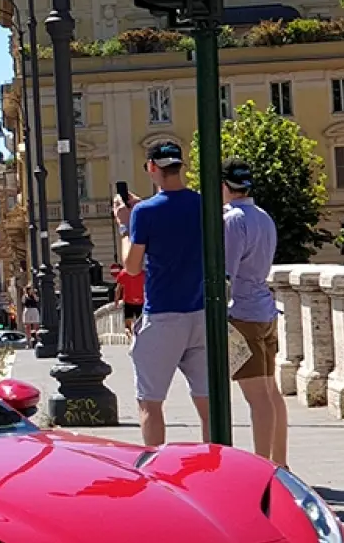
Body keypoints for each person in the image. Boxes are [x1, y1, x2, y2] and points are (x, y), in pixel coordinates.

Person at [112, 141, 210, 446]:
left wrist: (127, 227)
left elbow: (131, 266)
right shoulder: (201, 203)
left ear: (152, 167)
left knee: (150, 403)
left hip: (164, 315)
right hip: (201, 313)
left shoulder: (144, 213)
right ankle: (216, 463)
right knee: (209, 407)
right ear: (179, 166)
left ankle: (157, 473)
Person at [221, 158, 287, 466]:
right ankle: (281, 462)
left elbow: (226, 273)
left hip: (243, 314)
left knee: (256, 396)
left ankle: (263, 467)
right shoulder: (263, 217)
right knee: (270, 390)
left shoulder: (233, 220)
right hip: (265, 310)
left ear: (225, 186)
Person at [110, 260, 145, 336]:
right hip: (141, 302)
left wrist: (116, 301)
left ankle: (130, 339)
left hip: (129, 302)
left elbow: (118, 289)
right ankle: (139, 338)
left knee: (127, 326)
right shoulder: (143, 274)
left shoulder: (123, 273)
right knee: (141, 325)